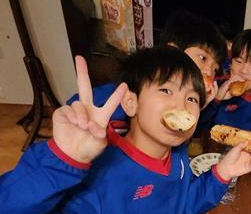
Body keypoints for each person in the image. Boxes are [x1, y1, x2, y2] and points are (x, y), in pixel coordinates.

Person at [0, 47, 251, 214]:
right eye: (166, 91)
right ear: (130, 103)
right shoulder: (99, 175)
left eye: (191, 98)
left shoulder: (177, 155)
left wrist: (222, 172)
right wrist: (63, 160)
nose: (181, 106)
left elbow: (181, 205)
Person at [67, 9, 228, 131]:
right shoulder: (131, 88)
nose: (209, 72)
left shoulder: (184, 102)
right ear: (172, 51)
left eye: (215, 69)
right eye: (203, 58)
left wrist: (199, 106)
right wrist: (81, 120)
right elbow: (78, 107)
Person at [203, 29, 251, 136]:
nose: (243, 70)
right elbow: (199, 127)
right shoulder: (215, 86)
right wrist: (217, 98)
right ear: (230, 62)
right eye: (238, 61)